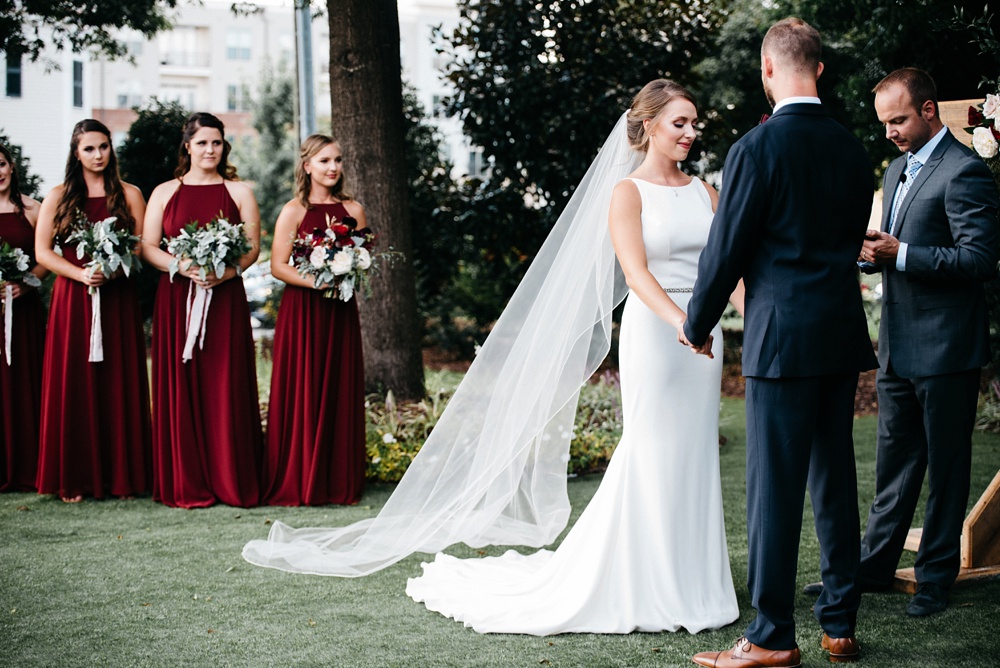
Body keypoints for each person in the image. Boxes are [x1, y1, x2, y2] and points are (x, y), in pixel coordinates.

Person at [246, 80, 743, 635]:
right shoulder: (628, 192)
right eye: (680, 122)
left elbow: (730, 272)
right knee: (652, 448)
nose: (691, 133)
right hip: (659, 334)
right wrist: (684, 323)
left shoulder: (707, 192)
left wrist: (753, 316)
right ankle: (641, 575)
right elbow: (635, 274)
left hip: (705, 341)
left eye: (695, 123)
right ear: (648, 125)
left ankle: (694, 576)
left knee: (695, 450)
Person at [681, 19, 876, 667]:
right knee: (834, 479)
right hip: (841, 333)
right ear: (818, 69)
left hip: (781, 339)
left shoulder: (756, 150)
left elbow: (726, 249)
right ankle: (840, 624)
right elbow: (848, 241)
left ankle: (771, 637)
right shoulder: (853, 149)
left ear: (768, 70)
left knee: (774, 488)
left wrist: (696, 322)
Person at [818, 68, 998, 618]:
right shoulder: (896, 170)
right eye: (883, 123)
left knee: (946, 468)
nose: (889, 132)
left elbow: (978, 261)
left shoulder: (965, 172)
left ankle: (935, 579)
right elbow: (898, 242)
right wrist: (871, 249)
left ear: (927, 111)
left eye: (897, 119)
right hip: (896, 343)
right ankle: (874, 566)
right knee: (893, 464)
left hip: (947, 350)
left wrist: (901, 254)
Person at [142, 112, 263, 508]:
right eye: (202, 142)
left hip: (224, 298)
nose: (210, 149)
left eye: (216, 142)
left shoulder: (239, 192)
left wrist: (226, 273)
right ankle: (186, 479)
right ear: (188, 146)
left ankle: (230, 478)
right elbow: (148, 247)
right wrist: (182, 265)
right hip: (178, 297)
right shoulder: (164, 192)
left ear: (223, 146)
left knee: (223, 382)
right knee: (182, 383)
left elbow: (251, 248)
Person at [34, 120, 153, 502]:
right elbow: (43, 252)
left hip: (117, 299)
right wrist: (81, 274)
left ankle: (123, 477)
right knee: (74, 383)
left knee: (117, 381)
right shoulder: (58, 197)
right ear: (76, 153)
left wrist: (113, 269)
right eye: (89, 149)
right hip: (74, 300)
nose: (98, 155)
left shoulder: (130, 194)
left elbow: (139, 246)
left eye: (103, 147)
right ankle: (75, 477)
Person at [262, 135, 367, 506]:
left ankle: (339, 479)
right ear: (307, 166)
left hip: (339, 310)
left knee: (338, 384)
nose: (333, 167)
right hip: (303, 311)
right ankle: (300, 476)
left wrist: (348, 272)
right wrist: (318, 279)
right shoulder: (293, 210)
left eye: (337, 160)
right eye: (324, 161)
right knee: (303, 386)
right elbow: (278, 265)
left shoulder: (353, 210)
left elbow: (363, 256)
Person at [0, 144, 45, 492]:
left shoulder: (32, 209)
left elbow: (49, 256)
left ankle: (29, 466)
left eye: (1, 164)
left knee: (25, 382)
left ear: (11, 166)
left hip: (25, 312)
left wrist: (27, 284)